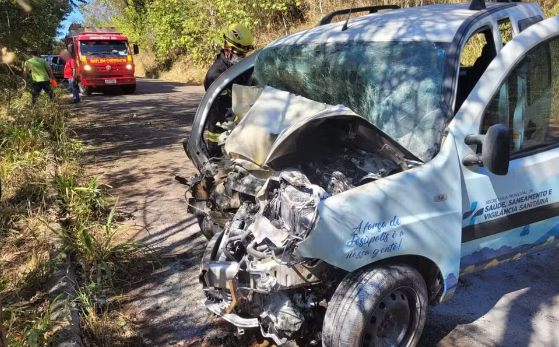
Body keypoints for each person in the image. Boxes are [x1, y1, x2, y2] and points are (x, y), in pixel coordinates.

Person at [204, 23, 254, 157]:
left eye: (245, 54)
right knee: (221, 174)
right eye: (239, 53)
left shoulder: (243, 68)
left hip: (241, 133)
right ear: (227, 48)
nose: (242, 58)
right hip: (220, 138)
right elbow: (225, 109)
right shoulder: (215, 75)